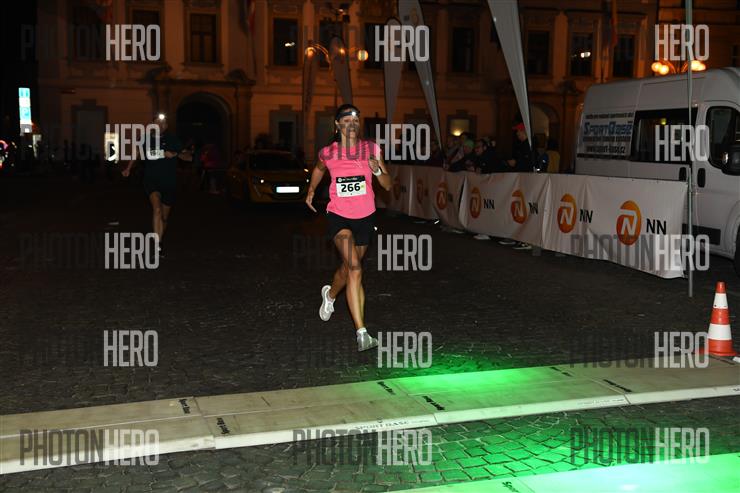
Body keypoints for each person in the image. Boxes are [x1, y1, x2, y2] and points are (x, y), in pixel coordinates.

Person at [305, 103, 392, 352]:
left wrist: (377, 170)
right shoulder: (328, 152)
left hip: (365, 217)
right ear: (337, 125)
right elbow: (319, 169)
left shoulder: (372, 149)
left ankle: (330, 294)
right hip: (338, 216)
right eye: (346, 121)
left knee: (347, 268)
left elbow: (387, 184)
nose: (351, 125)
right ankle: (362, 333)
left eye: (355, 120)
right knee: (355, 269)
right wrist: (311, 190)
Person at [122, 114, 192, 257]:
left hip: (169, 182)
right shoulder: (145, 138)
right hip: (151, 180)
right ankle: (157, 245)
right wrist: (128, 168)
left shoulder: (173, 139)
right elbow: (140, 153)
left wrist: (178, 154)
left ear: (166, 126)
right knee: (157, 210)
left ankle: (159, 237)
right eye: (157, 122)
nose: (160, 125)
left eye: (163, 123)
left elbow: (188, 157)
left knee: (164, 218)